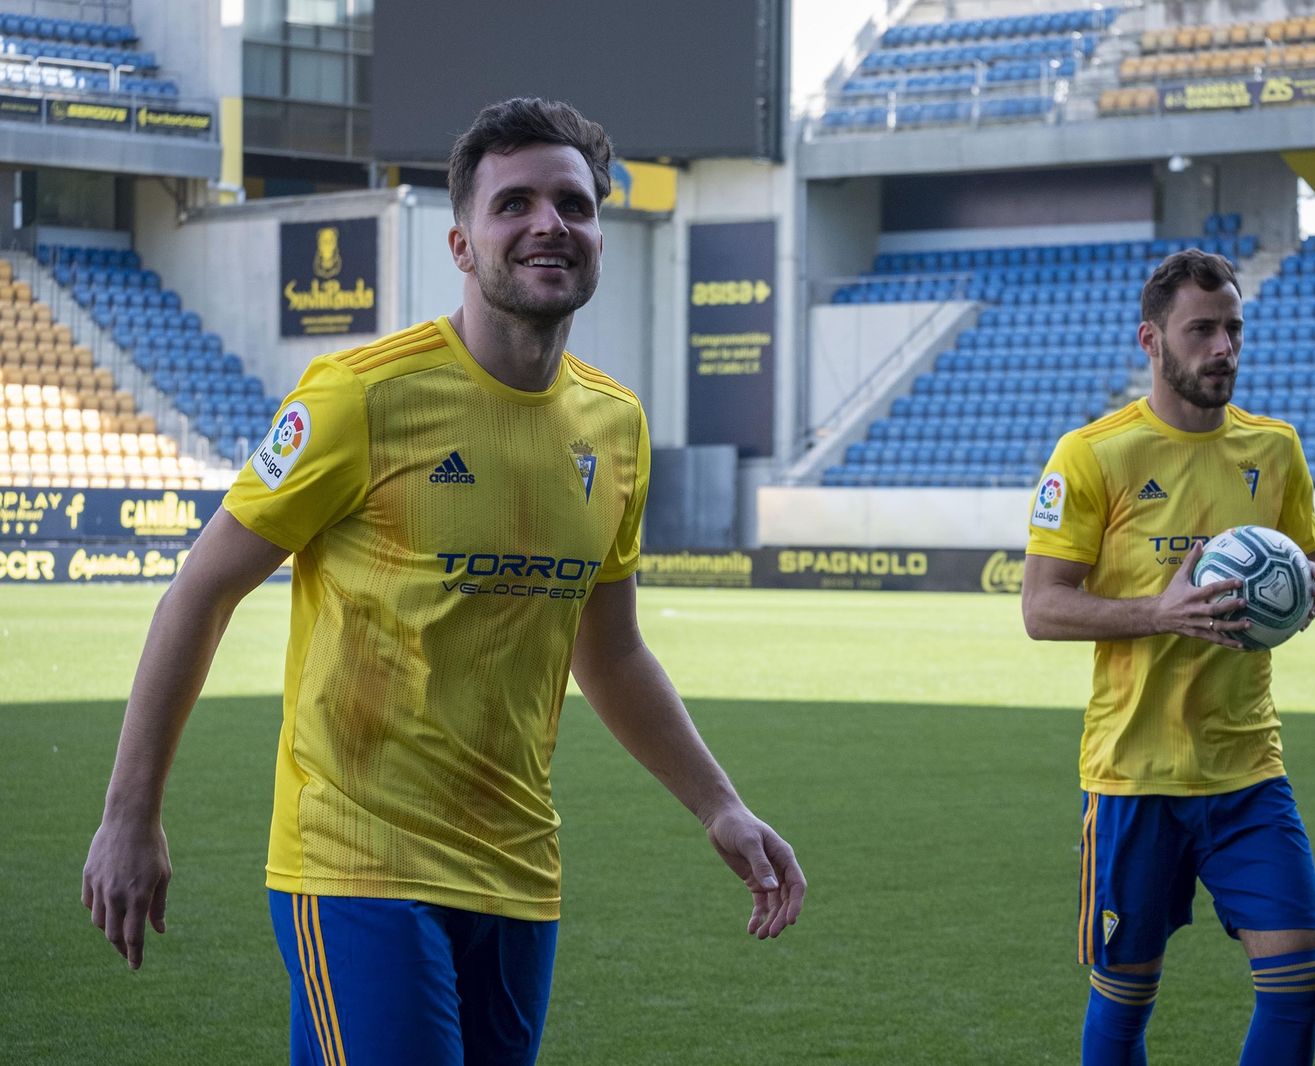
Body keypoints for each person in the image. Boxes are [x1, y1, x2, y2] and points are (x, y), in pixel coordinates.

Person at [81, 97, 805, 1065]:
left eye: (574, 204)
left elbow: (613, 648)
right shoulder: (359, 397)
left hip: (515, 871)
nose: (550, 222)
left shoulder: (615, 428)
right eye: (515, 205)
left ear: (599, 234)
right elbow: (201, 591)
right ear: (462, 244)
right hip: (355, 860)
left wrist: (719, 802)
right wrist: (130, 815)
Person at [1020, 249, 1315, 1066]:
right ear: (1151, 341)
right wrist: (1158, 612)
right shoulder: (1094, 455)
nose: (1224, 347)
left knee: (1298, 981)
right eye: (1202, 330)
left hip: (1248, 769)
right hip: (1134, 777)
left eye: (1233, 327)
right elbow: (1042, 607)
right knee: (1125, 1006)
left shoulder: (1275, 449)